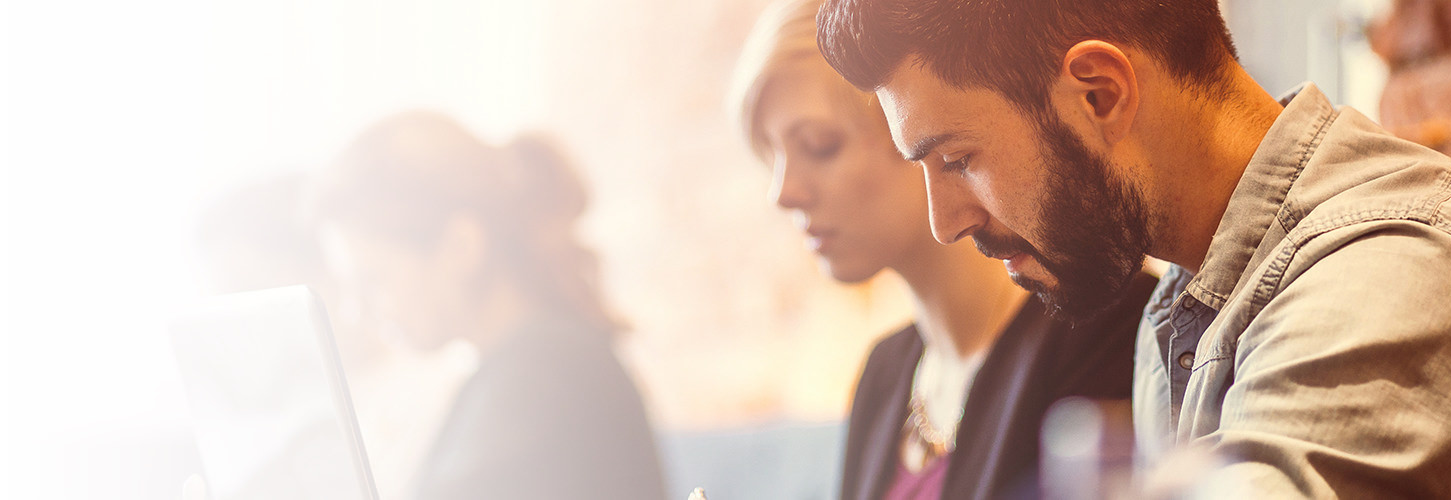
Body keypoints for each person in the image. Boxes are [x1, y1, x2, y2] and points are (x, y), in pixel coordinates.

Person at [814, 0, 1451, 497]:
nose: (944, 221)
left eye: (958, 160)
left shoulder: (1390, 273)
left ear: (1100, 92)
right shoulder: (1185, 299)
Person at [732, 1, 1157, 498]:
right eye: (771, 153)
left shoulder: (1102, 330)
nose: (784, 192)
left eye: (820, 145)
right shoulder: (885, 372)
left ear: (913, 126)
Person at [309, 112, 667, 500]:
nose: (356, 313)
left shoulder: (541, 379)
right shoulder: (534, 366)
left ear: (462, 246)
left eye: (373, 281)